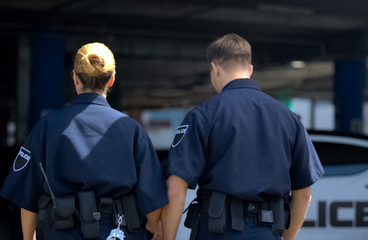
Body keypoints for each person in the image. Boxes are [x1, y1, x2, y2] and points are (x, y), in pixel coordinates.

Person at [161, 34, 324, 240]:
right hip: (268, 231)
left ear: (215, 69)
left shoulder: (202, 115)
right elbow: (304, 193)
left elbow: (176, 188)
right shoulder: (288, 118)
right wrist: (287, 237)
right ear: (250, 69)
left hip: (217, 232)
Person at [0, 42, 168, 240]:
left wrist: (29, 238)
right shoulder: (133, 130)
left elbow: (26, 197)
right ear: (112, 79)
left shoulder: (46, 127)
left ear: (75, 78)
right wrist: (153, 223)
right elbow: (153, 202)